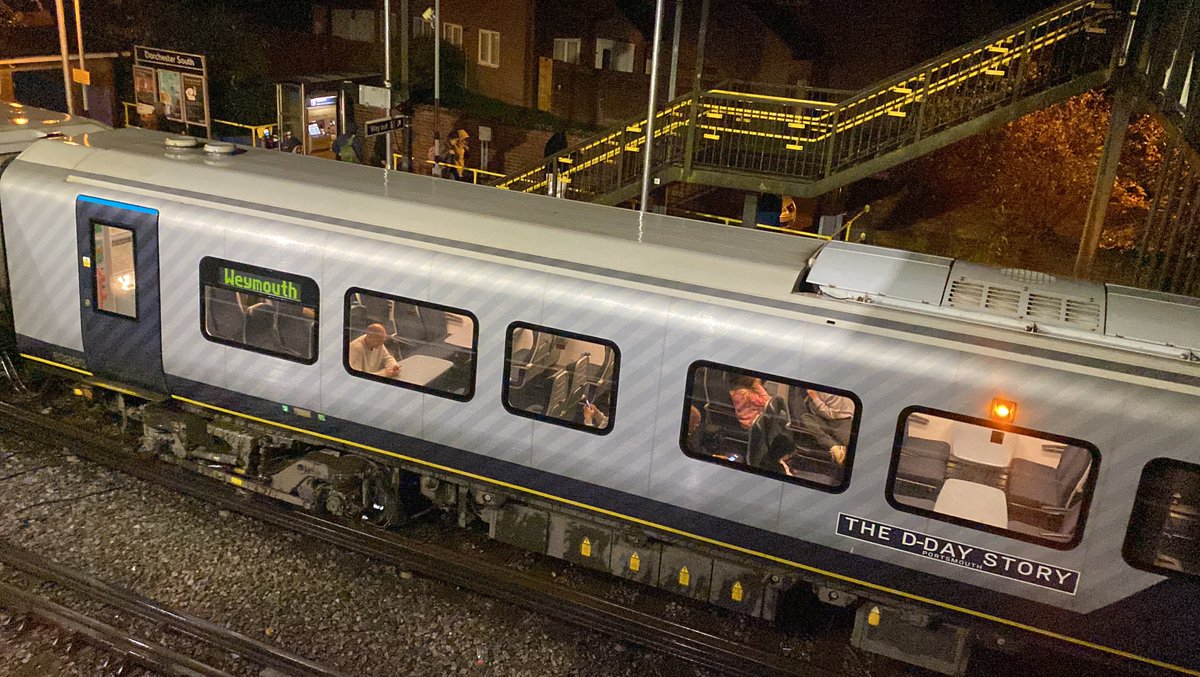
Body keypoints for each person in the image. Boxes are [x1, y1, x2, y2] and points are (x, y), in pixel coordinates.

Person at [794, 389, 853, 465]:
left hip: (842, 421)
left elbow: (830, 414)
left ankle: (837, 450)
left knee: (847, 446)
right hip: (824, 421)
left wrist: (814, 397)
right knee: (806, 418)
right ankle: (833, 446)